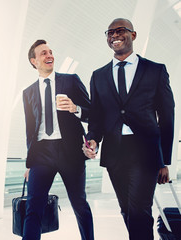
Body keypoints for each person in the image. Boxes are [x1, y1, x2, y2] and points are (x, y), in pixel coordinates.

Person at [83, 18, 175, 240]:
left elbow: (167, 117)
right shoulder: (99, 75)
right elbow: (97, 116)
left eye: (120, 30)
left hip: (146, 152)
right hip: (115, 153)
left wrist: (164, 161)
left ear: (133, 35)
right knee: (127, 210)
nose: (114, 35)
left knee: (138, 212)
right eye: (110, 32)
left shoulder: (155, 70)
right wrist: (93, 139)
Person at [22, 39, 94, 240]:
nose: (49, 55)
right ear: (34, 61)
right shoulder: (27, 93)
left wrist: (75, 108)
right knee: (33, 208)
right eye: (43, 53)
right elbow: (30, 130)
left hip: (70, 152)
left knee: (80, 204)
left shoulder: (71, 81)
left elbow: (92, 114)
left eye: (51, 52)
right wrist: (29, 162)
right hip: (41, 155)